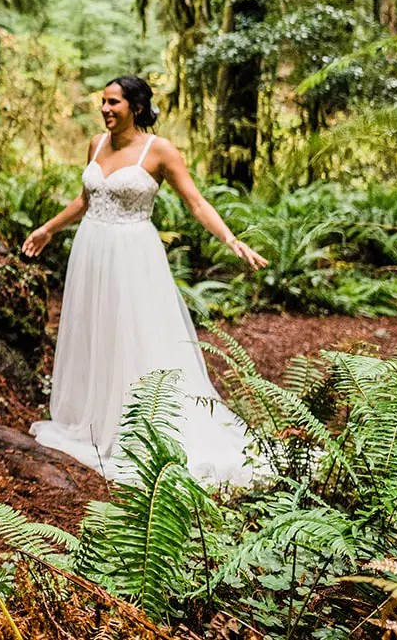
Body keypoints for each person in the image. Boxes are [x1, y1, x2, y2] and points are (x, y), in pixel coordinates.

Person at [22, 75, 268, 485]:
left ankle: (138, 427)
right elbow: (85, 201)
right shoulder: (95, 145)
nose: (105, 109)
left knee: (134, 334)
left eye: (113, 103)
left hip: (133, 254)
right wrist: (48, 229)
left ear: (136, 107)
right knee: (94, 332)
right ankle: (94, 419)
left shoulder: (160, 151)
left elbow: (196, 202)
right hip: (90, 250)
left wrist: (231, 239)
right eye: (103, 102)